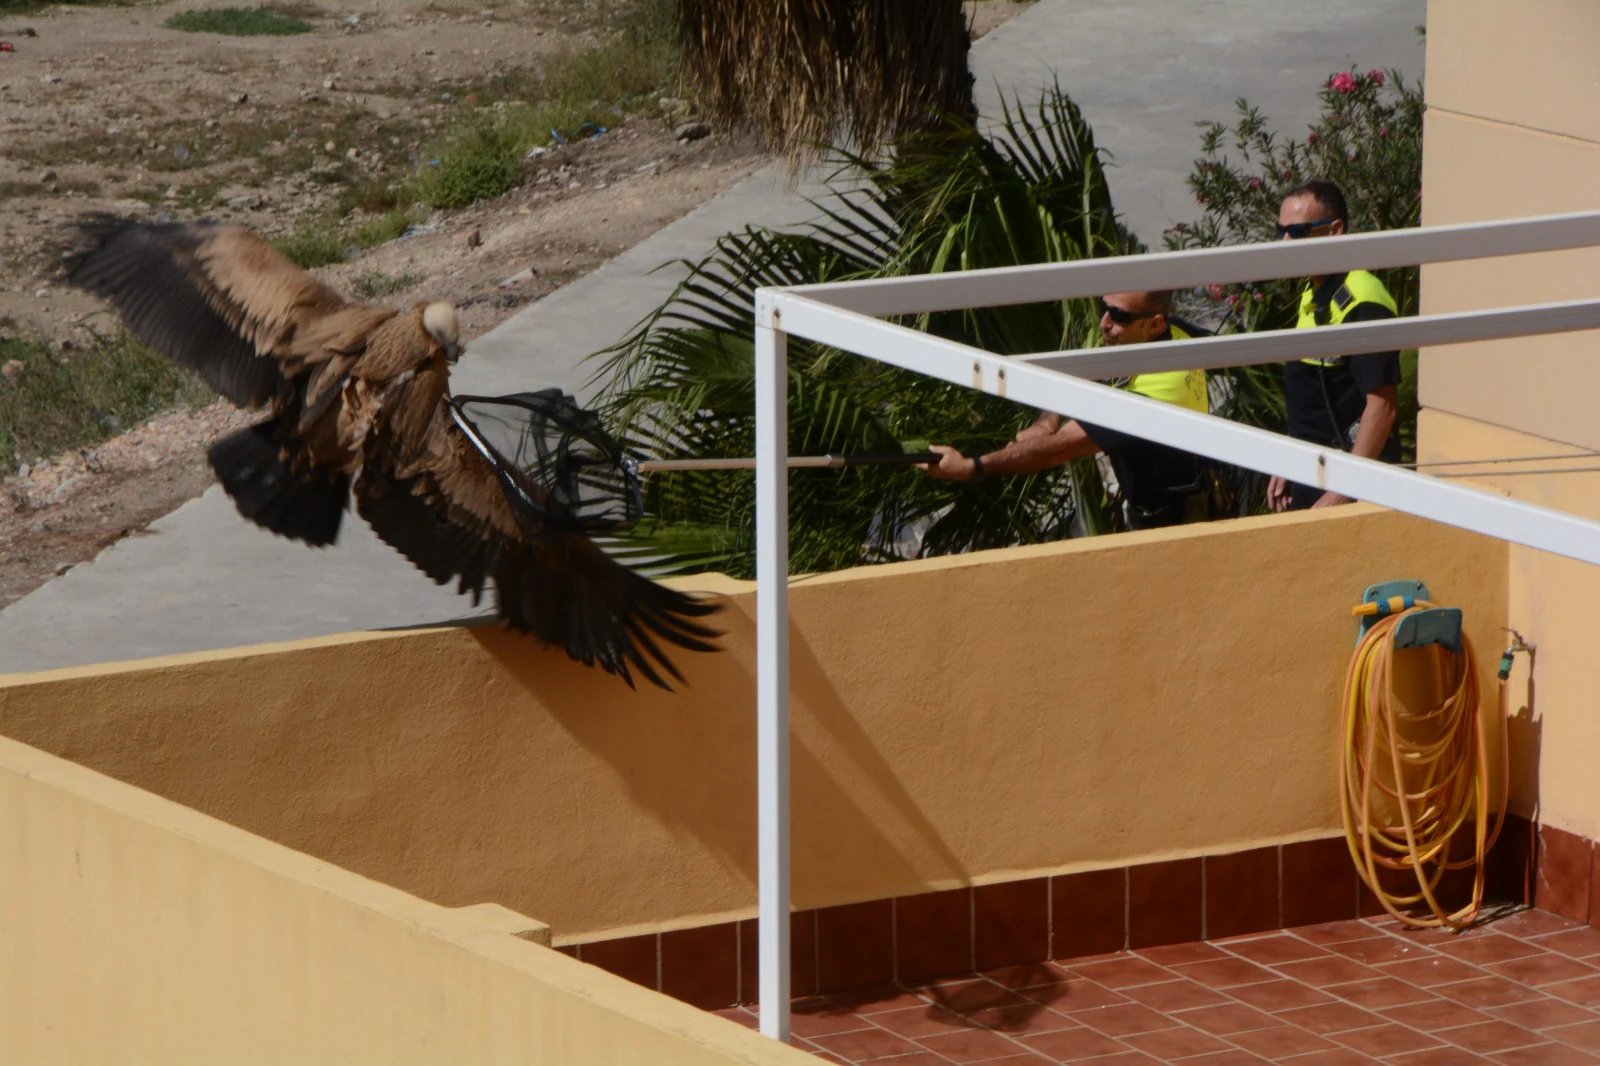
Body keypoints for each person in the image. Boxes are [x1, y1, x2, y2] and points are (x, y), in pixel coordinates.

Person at [922, 289, 1224, 531]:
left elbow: (1057, 449)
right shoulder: (1173, 337)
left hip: (1176, 526)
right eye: (1101, 306)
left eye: (1118, 316)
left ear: (1155, 323)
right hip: (1190, 498)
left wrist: (969, 467)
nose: (1104, 322)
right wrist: (1047, 420)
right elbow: (1087, 371)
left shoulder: (1148, 399)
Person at [1267, 179, 1402, 512]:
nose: (1285, 242)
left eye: (1297, 232)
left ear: (1334, 229)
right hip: (1314, 474)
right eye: (1280, 230)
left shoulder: (1362, 301)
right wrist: (1289, 460)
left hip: (1346, 488)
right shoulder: (1316, 291)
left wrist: (1343, 492)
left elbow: (1382, 407)